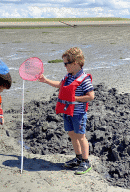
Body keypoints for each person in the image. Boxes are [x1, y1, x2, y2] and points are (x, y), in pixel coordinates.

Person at [38, 47, 94, 175]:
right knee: (72, 135)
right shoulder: (68, 76)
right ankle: (78, 158)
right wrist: (45, 80)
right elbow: (60, 85)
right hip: (68, 112)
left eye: (66, 63)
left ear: (75, 63)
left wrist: (76, 98)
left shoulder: (84, 79)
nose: (65, 66)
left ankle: (86, 161)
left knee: (81, 136)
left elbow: (91, 96)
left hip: (78, 114)